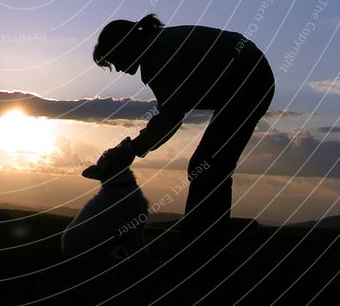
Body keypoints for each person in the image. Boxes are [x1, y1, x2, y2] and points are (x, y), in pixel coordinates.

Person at [90, 14, 275, 259]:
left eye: (114, 59)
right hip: (247, 78)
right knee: (209, 164)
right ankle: (204, 242)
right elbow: (174, 109)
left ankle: (202, 249)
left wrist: (132, 148)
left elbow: (171, 115)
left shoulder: (158, 55)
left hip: (250, 81)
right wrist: (134, 148)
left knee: (208, 164)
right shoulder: (158, 47)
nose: (119, 69)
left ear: (125, 44)